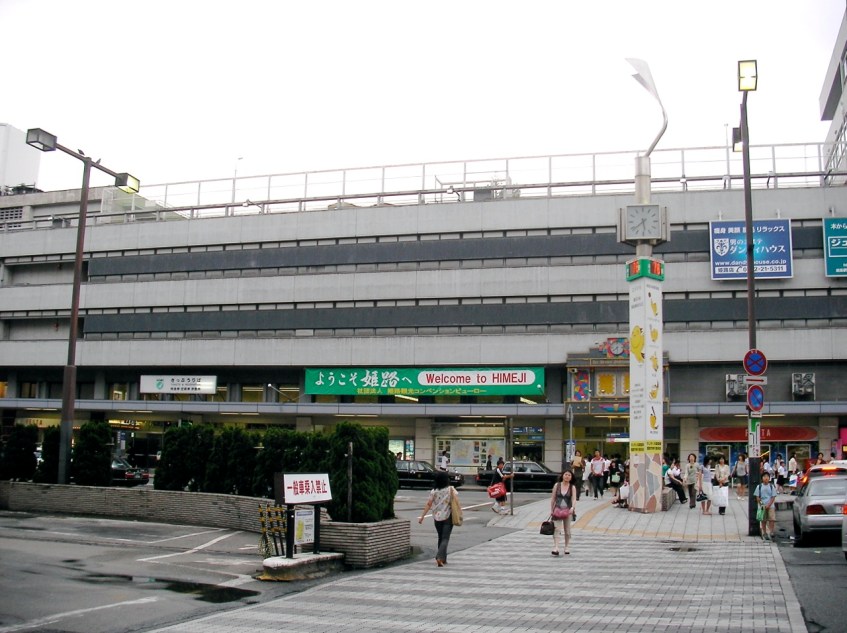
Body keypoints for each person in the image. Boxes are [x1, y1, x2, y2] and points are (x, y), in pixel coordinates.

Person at [418, 470, 458, 566]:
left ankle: (443, 559)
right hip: (448, 516)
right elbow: (456, 502)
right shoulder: (450, 489)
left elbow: (429, 504)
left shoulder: (434, 491)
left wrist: (422, 516)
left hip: (437, 517)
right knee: (445, 538)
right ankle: (439, 557)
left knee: (440, 537)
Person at [549, 470, 577, 556]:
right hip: (557, 509)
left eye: (569, 475)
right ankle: (556, 547)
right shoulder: (557, 485)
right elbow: (553, 498)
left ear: (571, 477)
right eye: (566, 474)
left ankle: (567, 546)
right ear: (562, 475)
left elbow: (574, 499)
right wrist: (551, 510)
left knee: (567, 530)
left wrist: (573, 508)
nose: (567, 476)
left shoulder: (572, 487)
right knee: (556, 529)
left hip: (567, 510)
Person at [754, 471, 777, 541]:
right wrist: (762, 505)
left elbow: (773, 497)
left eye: (767, 477)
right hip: (762, 506)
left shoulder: (771, 486)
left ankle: (771, 532)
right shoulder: (759, 487)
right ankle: (764, 532)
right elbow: (757, 497)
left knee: (772, 519)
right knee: (763, 520)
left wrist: (769, 504)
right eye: (764, 477)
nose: (766, 478)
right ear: (762, 478)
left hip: (771, 506)